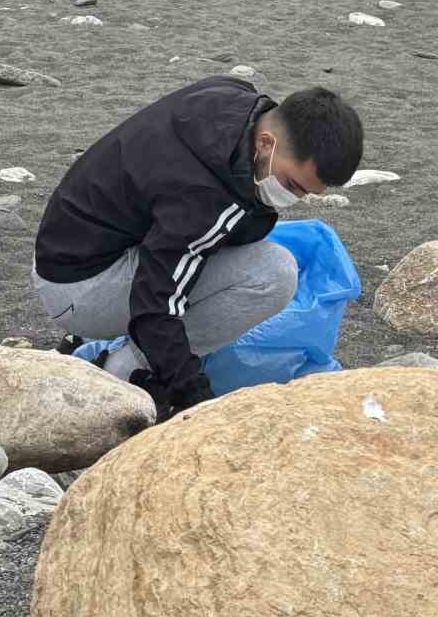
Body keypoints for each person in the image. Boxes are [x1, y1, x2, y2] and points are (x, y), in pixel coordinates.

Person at [32, 78, 363, 420]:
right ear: (265, 143)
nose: (294, 197)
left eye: (305, 193)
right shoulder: (205, 196)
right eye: (292, 184)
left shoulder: (234, 99)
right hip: (77, 288)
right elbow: (157, 304)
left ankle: (88, 338)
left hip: (68, 248)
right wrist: (193, 395)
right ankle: (124, 368)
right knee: (274, 274)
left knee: (211, 247)